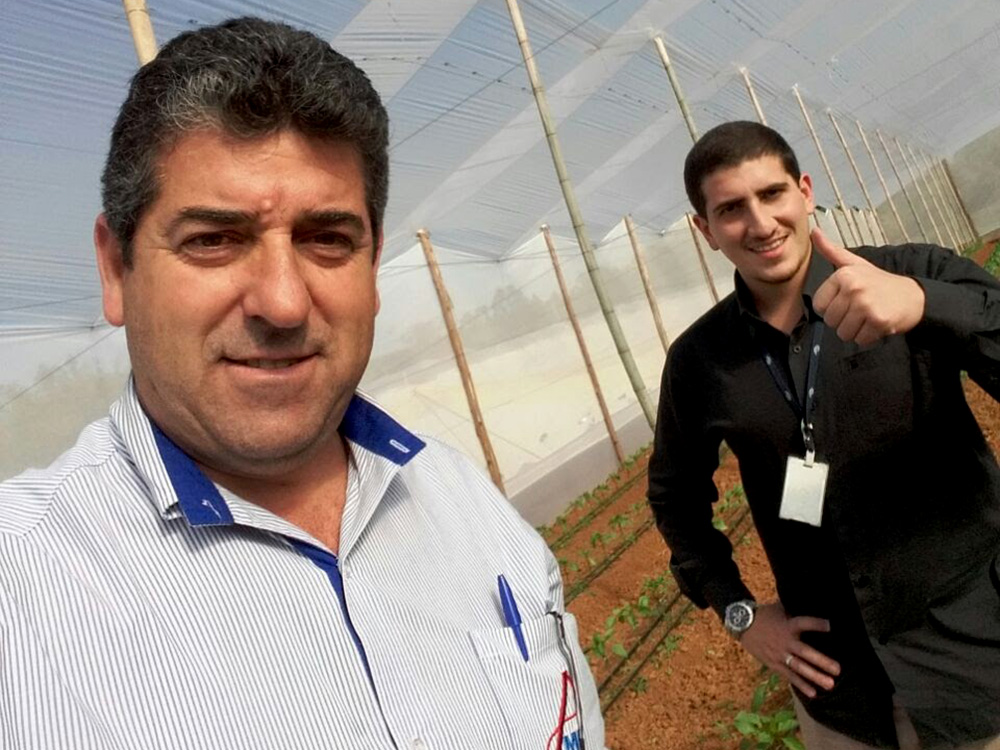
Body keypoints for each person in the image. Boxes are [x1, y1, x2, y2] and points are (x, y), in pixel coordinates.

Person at [0, 18, 604, 749]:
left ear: (372, 267)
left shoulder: (464, 501)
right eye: (212, 240)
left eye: (326, 239)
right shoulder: (21, 595)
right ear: (115, 269)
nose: (283, 303)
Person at [648, 120, 1000, 749]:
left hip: (974, 655)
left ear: (805, 192)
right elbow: (675, 496)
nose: (760, 223)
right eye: (731, 209)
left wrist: (926, 304)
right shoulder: (700, 360)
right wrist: (739, 612)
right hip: (841, 691)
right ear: (705, 231)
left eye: (772, 194)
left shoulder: (909, 273)